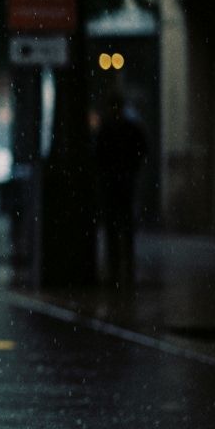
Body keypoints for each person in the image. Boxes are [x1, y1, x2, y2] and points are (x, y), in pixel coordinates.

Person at [95, 92, 149, 289]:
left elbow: (99, 155)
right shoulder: (123, 129)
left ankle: (119, 266)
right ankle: (121, 266)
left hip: (118, 181)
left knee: (119, 224)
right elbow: (141, 149)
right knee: (121, 225)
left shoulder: (113, 129)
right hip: (120, 181)